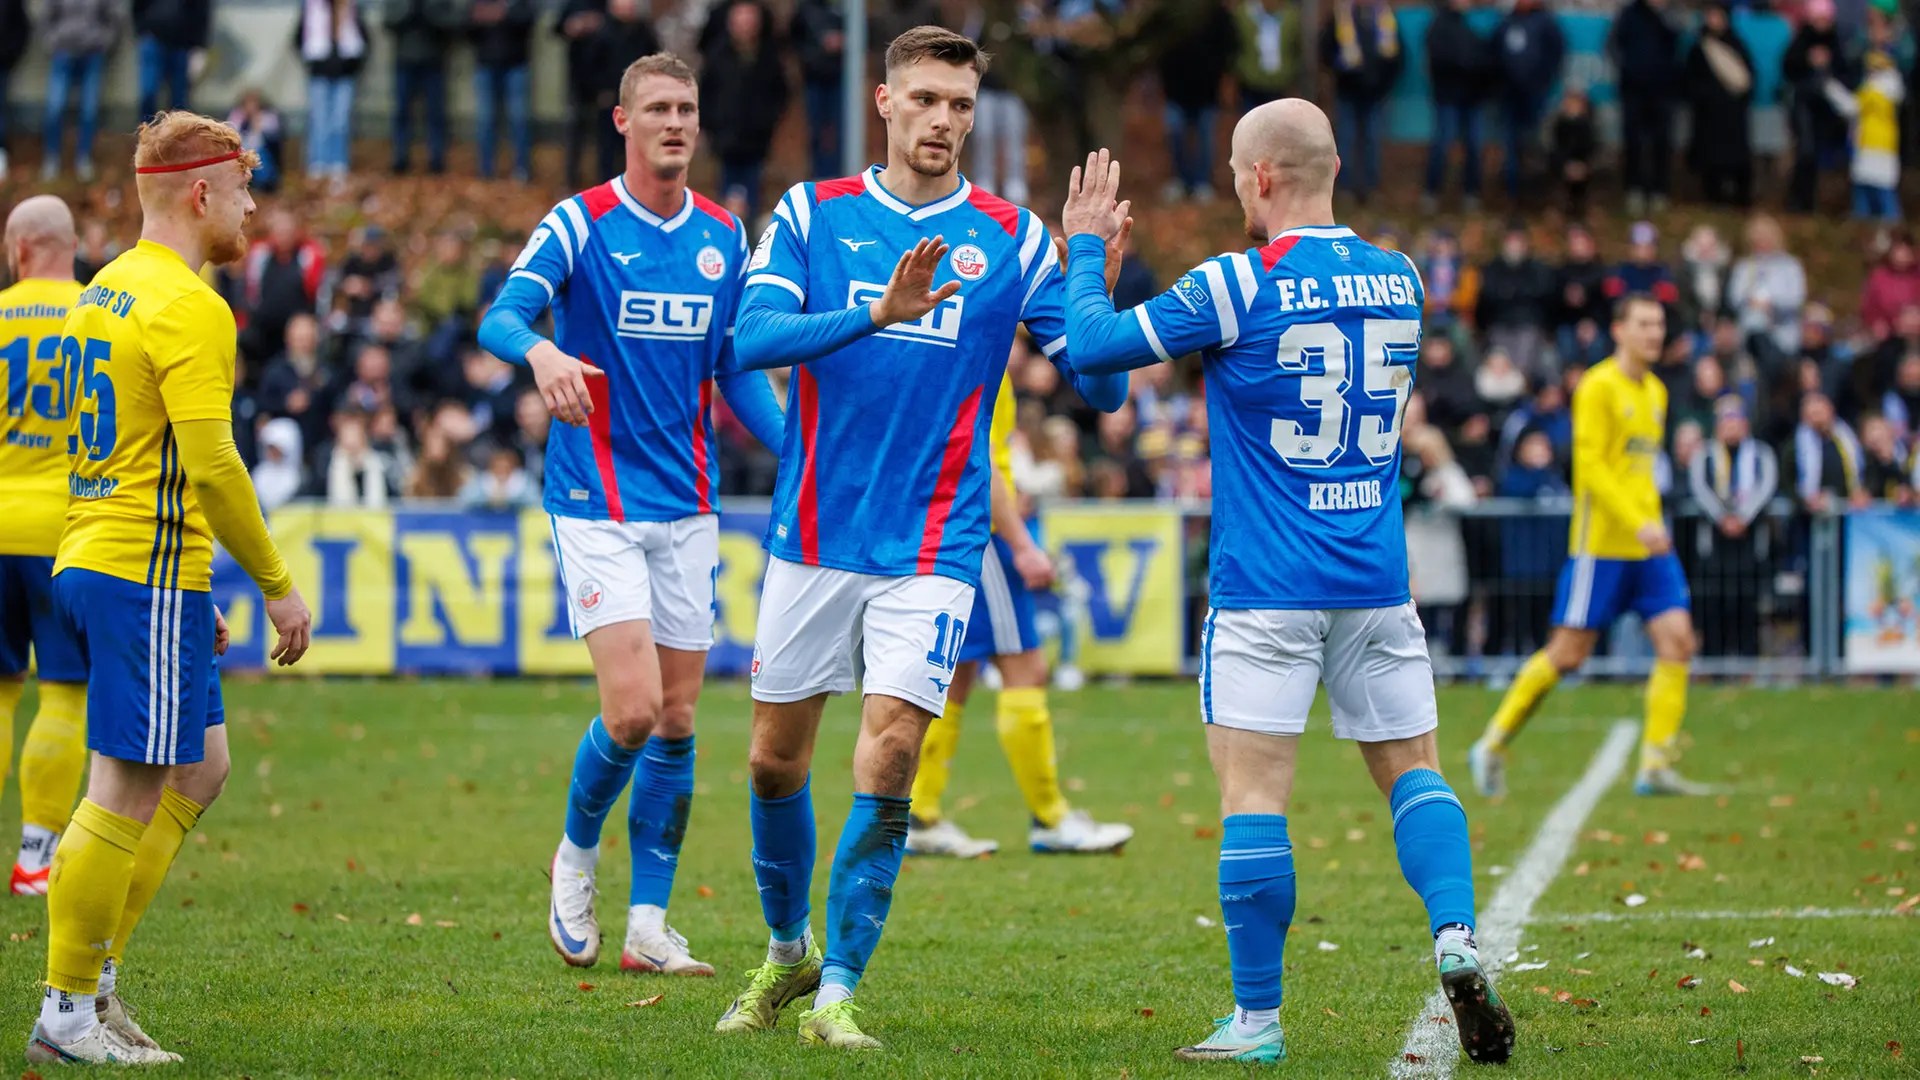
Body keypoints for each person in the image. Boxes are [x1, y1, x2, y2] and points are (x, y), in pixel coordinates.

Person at [1055, 99, 1516, 1066]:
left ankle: (1258, 1022)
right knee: (1415, 773)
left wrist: (1085, 252)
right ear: (1334, 166)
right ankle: (1457, 938)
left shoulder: (1237, 279)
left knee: (1255, 797)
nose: (1234, 189)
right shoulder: (1399, 279)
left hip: (1266, 587)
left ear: (1260, 178)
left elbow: (1093, 354)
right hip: (1375, 581)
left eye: (1233, 173)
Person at [713, 26, 1127, 1050]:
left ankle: (840, 992)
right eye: (927, 99)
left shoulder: (1017, 238)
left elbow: (1106, 386)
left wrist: (1090, 277)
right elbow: (748, 341)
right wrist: (874, 313)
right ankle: (785, 950)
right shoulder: (815, 213)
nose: (944, 119)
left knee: (892, 752)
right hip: (813, 535)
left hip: (938, 542)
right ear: (886, 104)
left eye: (960, 103)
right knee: (773, 764)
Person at [476, 53, 786, 979]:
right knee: (634, 711)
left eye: (686, 108)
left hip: (687, 501)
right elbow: (502, 316)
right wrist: (538, 354)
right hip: (596, 498)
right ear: (623, 121)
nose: (675, 122)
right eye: (657, 108)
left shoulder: (727, 236)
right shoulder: (579, 223)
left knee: (682, 719)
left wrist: (796, 450)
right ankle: (575, 858)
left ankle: (650, 924)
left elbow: (732, 367)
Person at [26, 110, 312, 1066]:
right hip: (133, 570)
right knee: (122, 789)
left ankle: (93, 985)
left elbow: (137, 452)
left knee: (203, 767)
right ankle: (69, 1007)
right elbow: (216, 464)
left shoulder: (105, 287)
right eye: (244, 190)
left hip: (117, 559)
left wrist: (190, 584)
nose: (252, 206)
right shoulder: (191, 305)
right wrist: (275, 585)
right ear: (202, 192)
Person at [1472, 294, 1706, 799]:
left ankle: (1655, 764)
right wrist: (1636, 522)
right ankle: (1493, 742)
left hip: (1648, 546)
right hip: (1600, 546)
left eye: (1660, 325)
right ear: (1618, 330)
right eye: (1643, 323)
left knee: (1678, 642)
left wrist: (1650, 524)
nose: (1654, 333)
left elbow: (1640, 471)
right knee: (1568, 654)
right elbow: (1592, 470)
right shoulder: (1598, 386)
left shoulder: (1657, 393)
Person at [905, 371, 1135, 858]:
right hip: (982, 531)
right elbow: (978, 461)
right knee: (1024, 666)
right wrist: (1022, 542)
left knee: (957, 675)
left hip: (954, 522)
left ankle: (919, 813)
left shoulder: (959, 349)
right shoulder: (985, 358)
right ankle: (1050, 817)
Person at [0, 198, 92, 898]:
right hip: (70, 530)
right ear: (71, 246)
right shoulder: (102, 314)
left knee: (0, 695)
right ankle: (35, 859)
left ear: (19, 248)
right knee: (62, 696)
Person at [40, 0, 121, 181]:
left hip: (93, 54)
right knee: (55, 108)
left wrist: (104, 41)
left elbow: (114, 17)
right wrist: (52, 40)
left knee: (89, 110)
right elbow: (46, 16)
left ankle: (83, 158)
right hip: (62, 52)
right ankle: (51, 158)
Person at [296, 0, 367, 185]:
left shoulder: (351, 8)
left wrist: (353, 65)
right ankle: (317, 164)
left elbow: (364, 40)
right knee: (319, 121)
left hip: (344, 74)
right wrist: (311, 63)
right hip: (319, 73)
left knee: (340, 121)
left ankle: (338, 163)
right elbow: (298, 39)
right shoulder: (312, 7)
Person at [468, 0, 537, 182]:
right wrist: (478, 19)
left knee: (519, 118)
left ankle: (522, 169)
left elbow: (529, 21)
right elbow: (466, 28)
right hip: (485, 64)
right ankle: (486, 169)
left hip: (516, 64)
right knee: (486, 119)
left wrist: (505, 13)